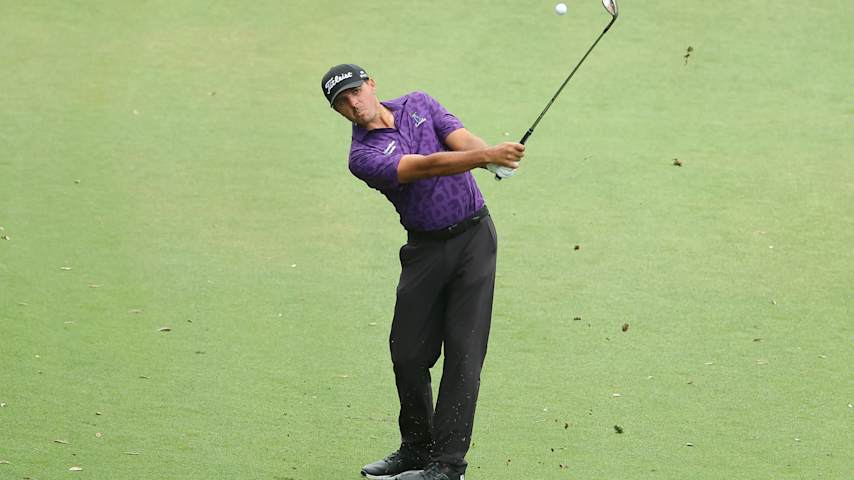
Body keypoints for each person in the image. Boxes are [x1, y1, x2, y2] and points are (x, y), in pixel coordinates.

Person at [321, 64, 524, 480]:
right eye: (342, 102)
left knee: (464, 356)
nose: (353, 104)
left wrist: (488, 157)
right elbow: (426, 166)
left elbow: (458, 137)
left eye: (356, 92)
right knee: (408, 353)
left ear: (371, 85)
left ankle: (448, 467)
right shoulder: (363, 157)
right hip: (425, 250)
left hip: (474, 239)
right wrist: (486, 157)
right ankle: (416, 449)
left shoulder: (419, 103)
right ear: (339, 111)